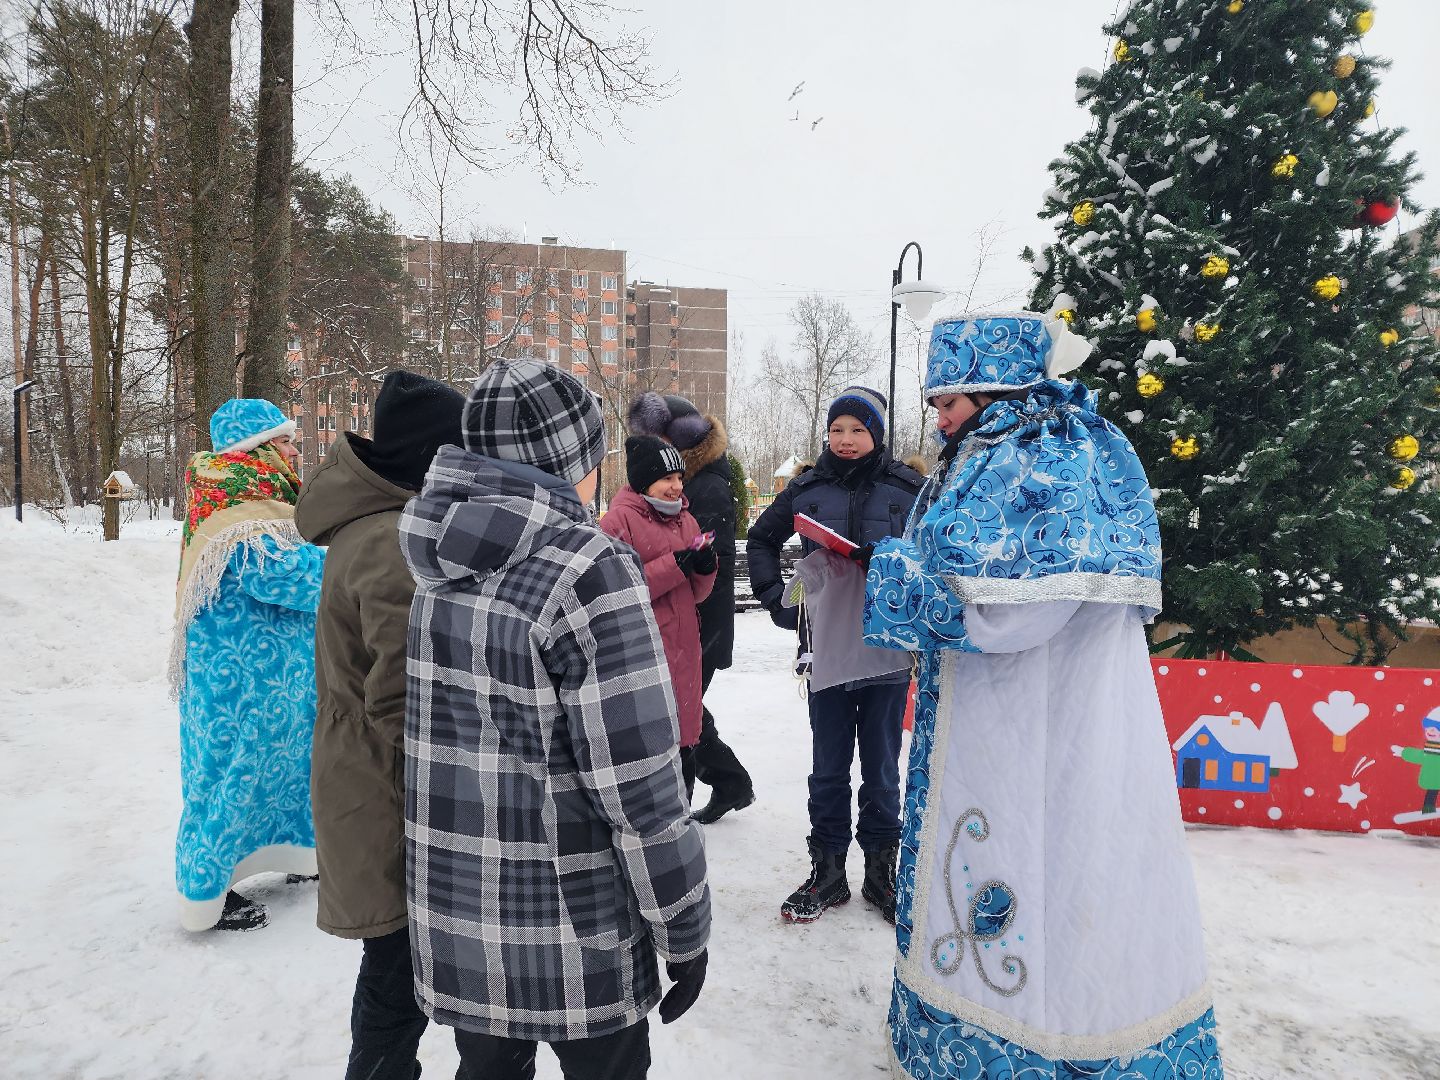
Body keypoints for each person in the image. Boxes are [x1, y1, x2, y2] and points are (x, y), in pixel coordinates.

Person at [862, 312, 1223, 1077]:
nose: (938, 416)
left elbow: (1012, 612)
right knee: (1038, 871)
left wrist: (897, 577)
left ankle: (1041, 1050)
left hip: (1033, 723)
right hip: (1018, 716)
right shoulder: (1022, 448)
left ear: (993, 391)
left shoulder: (1038, 455)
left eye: (948, 399)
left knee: (1050, 871)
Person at [400, 360, 710, 1079]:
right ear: (571, 462)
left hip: (459, 918)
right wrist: (684, 926)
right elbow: (640, 784)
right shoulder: (589, 569)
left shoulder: (436, 565)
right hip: (577, 924)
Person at [294, 370, 466, 1080]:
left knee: (396, 961)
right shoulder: (393, 540)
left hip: (366, 772)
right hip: (384, 786)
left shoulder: (381, 525)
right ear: (433, 459)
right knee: (398, 964)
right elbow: (403, 697)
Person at [746, 387, 923, 924]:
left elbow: (935, 551)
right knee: (828, 766)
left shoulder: (906, 487)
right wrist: (776, 599)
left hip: (887, 649)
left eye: (858, 430)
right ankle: (827, 873)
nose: (846, 440)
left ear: (877, 434)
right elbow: (761, 539)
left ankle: (881, 873)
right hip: (824, 648)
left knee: (882, 767)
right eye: (837, 429)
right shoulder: (807, 488)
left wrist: (898, 569)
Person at [168, 398, 326, 932]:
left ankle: (298, 854)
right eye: (285, 442)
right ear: (258, 448)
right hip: (237, 678)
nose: (294, 451)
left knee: (285, 763)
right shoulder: (235, 494)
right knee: (230, 772)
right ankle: (206, 889)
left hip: (270, 672)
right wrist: (352, 561)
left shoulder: (259, 490)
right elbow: (275, 574)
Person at [627, 391, 755, 824]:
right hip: (679, 623)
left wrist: (693, 616)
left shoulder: (705, 488)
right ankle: (729, 781)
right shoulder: (676, 487)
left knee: (681, 712)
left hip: (698, 625)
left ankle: (719, 785)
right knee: (684, 710)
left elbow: (707, 560)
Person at [599, 435, 718, 799]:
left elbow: (697, 594)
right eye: (667, 478)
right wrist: (675, 565)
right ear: (644, 480)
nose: (677, 486)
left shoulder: (686, 520)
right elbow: (616, 589)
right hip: (641, 651)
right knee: (648, 745)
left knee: (684, 743)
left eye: (679, 478)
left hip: (683, 650)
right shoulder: (617, 522)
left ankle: (681, 816)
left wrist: (704, 568)